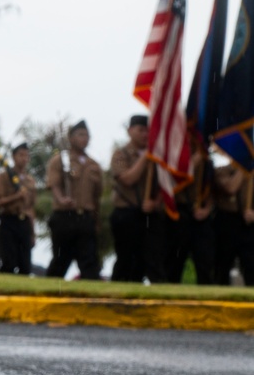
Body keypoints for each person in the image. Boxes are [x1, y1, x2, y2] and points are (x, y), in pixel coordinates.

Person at [109, 115, 165, 283]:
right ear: (130, 131)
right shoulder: (120, 154)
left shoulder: (158, 157)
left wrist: (155, 203)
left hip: (149, 214)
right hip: (126, 214)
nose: (145, 134)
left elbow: (165, 185)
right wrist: (144, 157)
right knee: (126, 259)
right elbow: (127, 179)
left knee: (151, 259)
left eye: (148, 131)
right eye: (140, 130)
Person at [45, 120, 103, 280]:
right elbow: (54, 184)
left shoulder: (94, 165)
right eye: (80, 135)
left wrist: (95, 220)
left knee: (90, 261)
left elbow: (96, 196)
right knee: (60, 260)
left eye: (87, 135)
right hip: (65, 216)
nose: (84, 139)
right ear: (71, 138)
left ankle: (92, 298)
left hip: (85, 217)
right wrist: (62, 199)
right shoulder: (60, 161)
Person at [165, 150, 215, 285]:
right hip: (179, 212)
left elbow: (211, 187)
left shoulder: (207, 162)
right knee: (174, 263)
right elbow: (171, 180)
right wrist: (192, 164)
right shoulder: (174, 155)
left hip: (201, 214)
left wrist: (207, 209)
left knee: (205, 263)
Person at [0, 143, 36, 275]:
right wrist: (16, 196)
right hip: (8, 220)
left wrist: (32, 232)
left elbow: (31, 209)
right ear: (13, 157)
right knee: (8, 262)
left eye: (26, 156)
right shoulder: (4, 176)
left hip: (24, 223)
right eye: (21, 155)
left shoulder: (30, 180)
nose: (24, 159)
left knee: (25, 264)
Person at [212, 165, 254, 285]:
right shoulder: (221, 169)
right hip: (226, 222)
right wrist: (244, 166)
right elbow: (231, 188)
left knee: (251, 268)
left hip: (249, 225)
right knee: (222, 268)